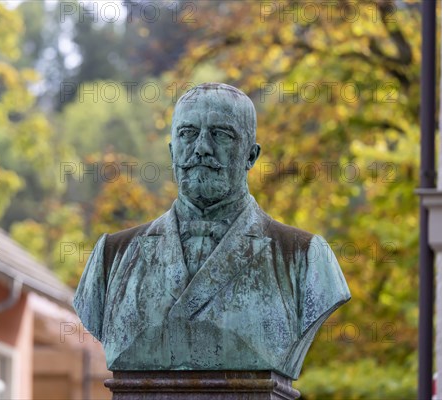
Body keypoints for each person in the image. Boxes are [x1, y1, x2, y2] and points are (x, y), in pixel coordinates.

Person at [74, 83, 350, 379]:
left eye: (221, 134)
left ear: (251, 156)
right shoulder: (111, 257)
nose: (202, 147)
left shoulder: (305, 258)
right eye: (187, 133)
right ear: (171, 152)